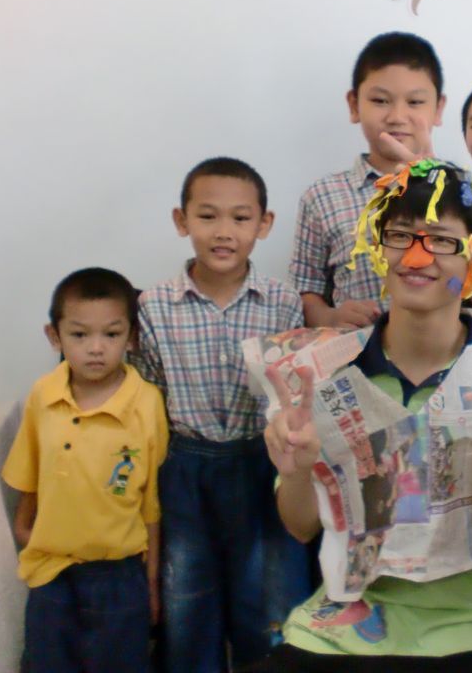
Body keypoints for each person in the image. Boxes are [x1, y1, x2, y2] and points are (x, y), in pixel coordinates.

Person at [246, 160, 472, 672]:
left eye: (441, 241)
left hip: (466, 636)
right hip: (338, 634)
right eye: (400, 236)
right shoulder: (327, 373)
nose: (416, 256)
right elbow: (299, 527)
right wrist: (297, 470)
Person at [131, 156, 311, 673]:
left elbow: (290, 392)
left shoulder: (282, 302)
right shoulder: (153, 306)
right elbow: (148, 396)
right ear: (181, 220)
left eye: (240, 217)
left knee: (270, 603)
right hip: (184, 469)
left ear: (264, 224)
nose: (224, 231)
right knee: (188, 601)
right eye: (207, 216)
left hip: (262, 462)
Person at [2, 268, 168, 673]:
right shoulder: (43, 394)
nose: (96, 348)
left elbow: (152, 503)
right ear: (54, 336)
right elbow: (29, 475)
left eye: (111, 334)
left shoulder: (147, 402)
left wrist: (150, 582)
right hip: (52, 573)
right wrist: (25, 532)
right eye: (79, 335)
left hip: (120, 576)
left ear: (131, 337)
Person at [290, 31, 472, 330]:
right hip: (356, 351)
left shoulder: (468, 190)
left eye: (415, 101)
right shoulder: (322, 196)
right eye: (380, 100)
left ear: (438, 108)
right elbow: (305, 289)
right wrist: (328, 317)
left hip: (444, 350)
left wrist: (441, 187)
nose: (397, 116)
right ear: (354, 104)